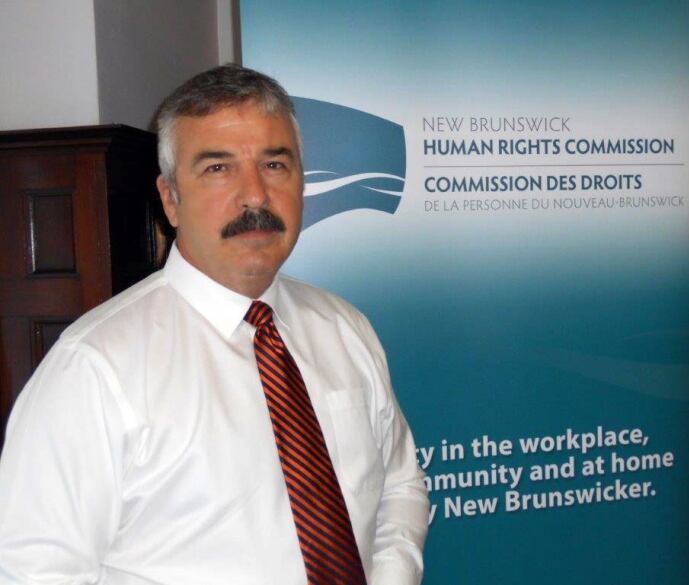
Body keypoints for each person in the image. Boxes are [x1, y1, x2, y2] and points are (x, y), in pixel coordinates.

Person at [0, 65, 429, 585]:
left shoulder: (346, 329)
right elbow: (34, 572)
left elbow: (399, 487)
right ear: (170, 200)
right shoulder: (93, 369)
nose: (255, 196)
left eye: (275, 164)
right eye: (218, 168)